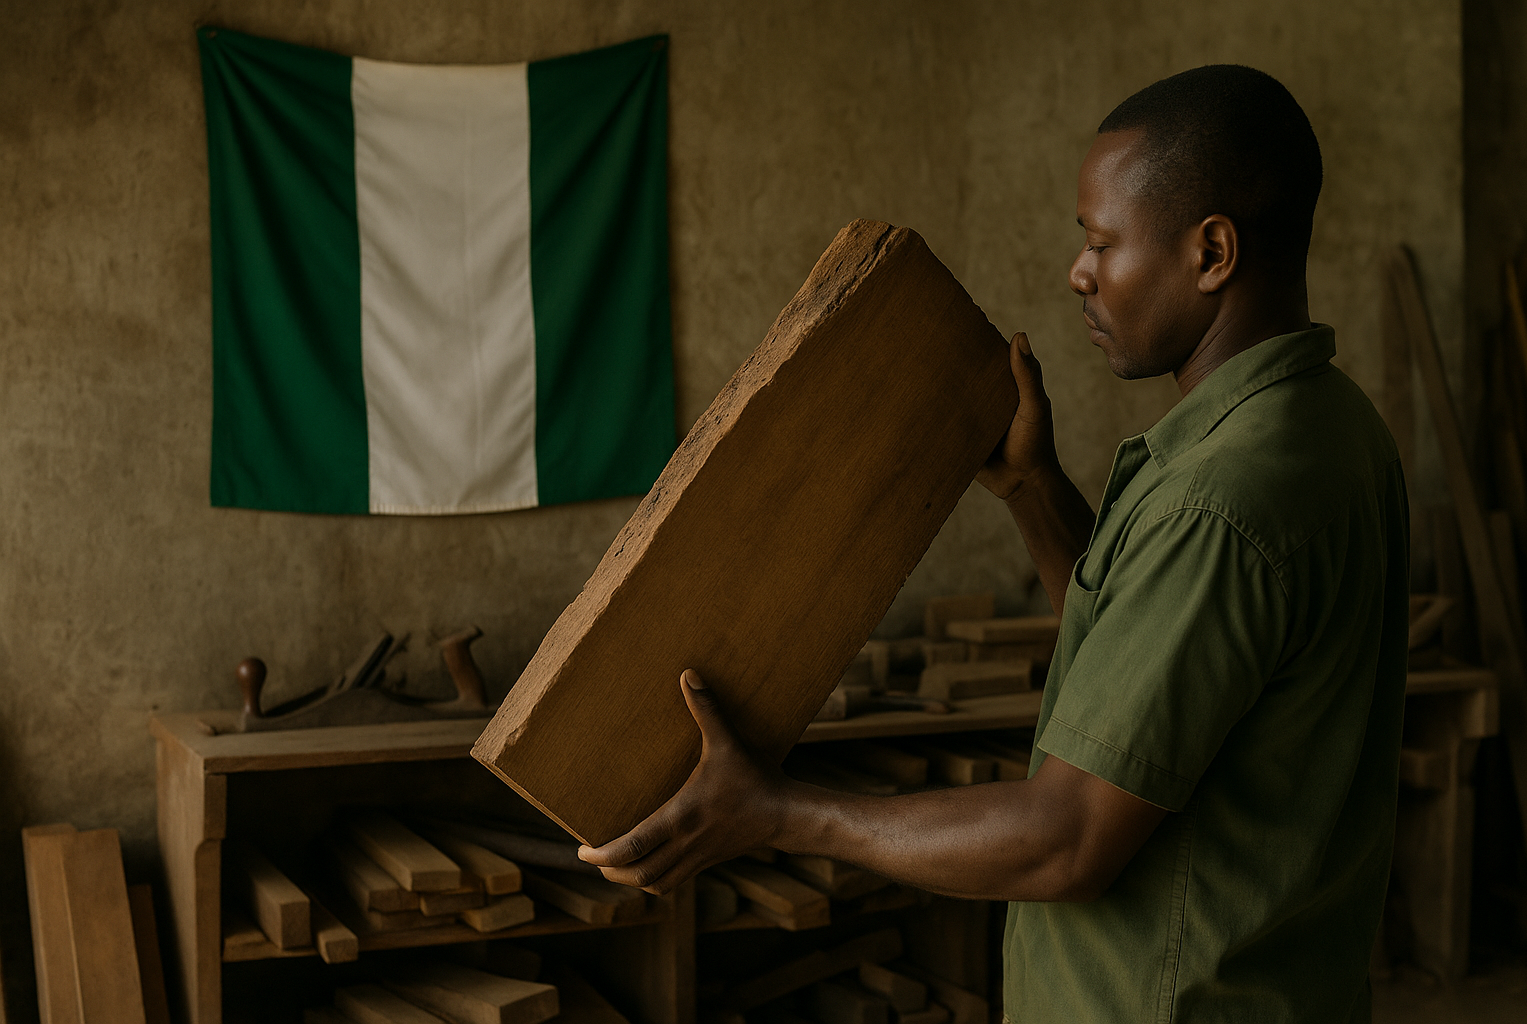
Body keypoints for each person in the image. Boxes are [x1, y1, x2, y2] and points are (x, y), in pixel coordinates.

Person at [579, 65, 1408, 1023]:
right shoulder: (1333, 428)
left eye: (1102, 242)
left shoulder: (1216, 500)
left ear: (1212, 251)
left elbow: (1065, 839)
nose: (1079, 273)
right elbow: (1153, 662)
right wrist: (1032, 488)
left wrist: (776, 811)